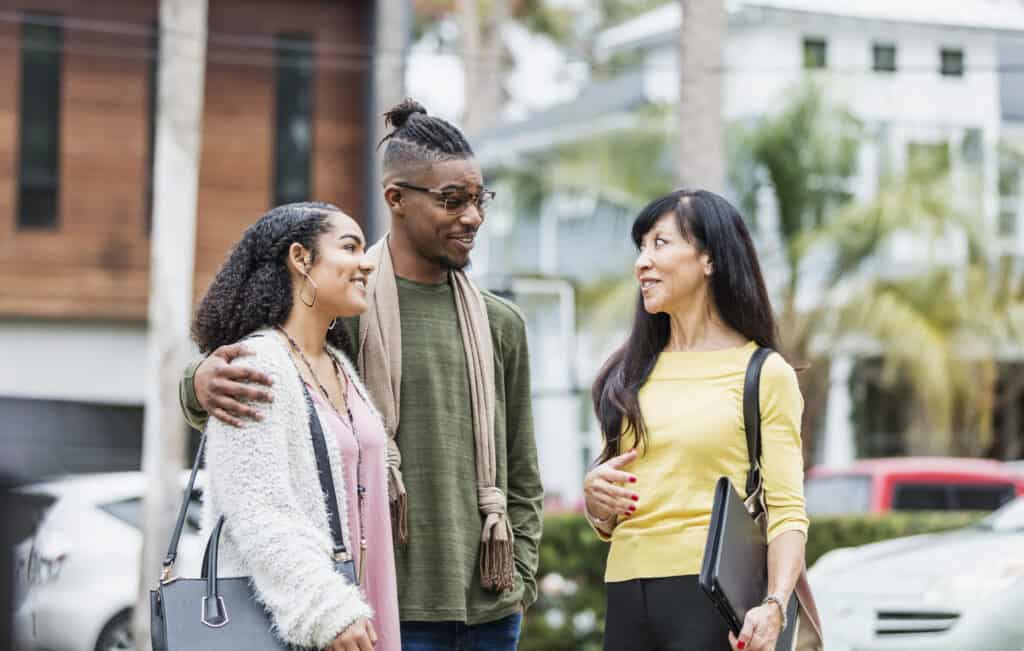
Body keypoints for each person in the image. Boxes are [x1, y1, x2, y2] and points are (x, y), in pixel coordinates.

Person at [179, 100, 543, 651]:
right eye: (452, 200)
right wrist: (199, 381)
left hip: (491, 607)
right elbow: (260, 362)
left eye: (478, 200)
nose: (472, 216)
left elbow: (523, 469)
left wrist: (521, 577)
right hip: (375, 605)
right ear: (396, 199)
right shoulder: (346, 309)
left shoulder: (501, 324)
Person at [583, 190, 811, 651]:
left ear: (708, 259)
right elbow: (611, 508)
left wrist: (775, 604)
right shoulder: (627, 373)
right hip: (626, 587)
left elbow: (788, 510)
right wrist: (595, 501)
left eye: (660, 244)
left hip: (709, 595)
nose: (642, 262)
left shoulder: (764, 373)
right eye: (640, 247)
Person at [192, 202, 400, 651]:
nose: (366, 262)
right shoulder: (257, 364)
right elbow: (256, 506)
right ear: (300, 258)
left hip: (360, 610)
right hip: (316, 618)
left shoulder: (339, 365)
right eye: (350, 247)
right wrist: (327, 609)